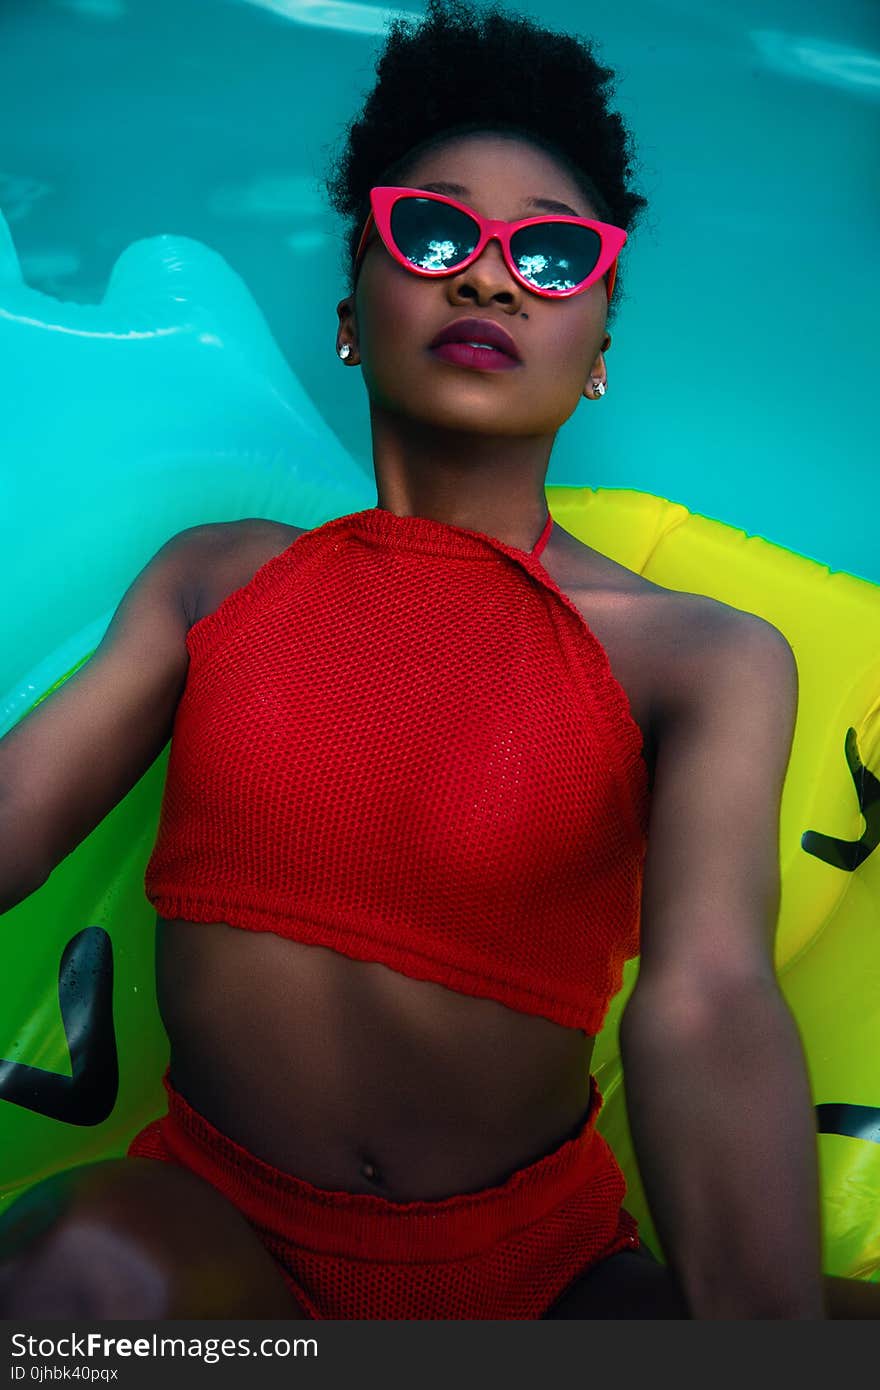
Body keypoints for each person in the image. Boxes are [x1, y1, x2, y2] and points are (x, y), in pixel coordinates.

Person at [0, 0, 876, 1320]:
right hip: (214, 1248)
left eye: (552, 255)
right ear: (353, 299)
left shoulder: (701, 659)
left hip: (537, 1283)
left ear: (598, 352)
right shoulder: (214, 579)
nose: (488, 277)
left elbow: (705, 998)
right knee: (73, 1283)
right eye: (434, 230)